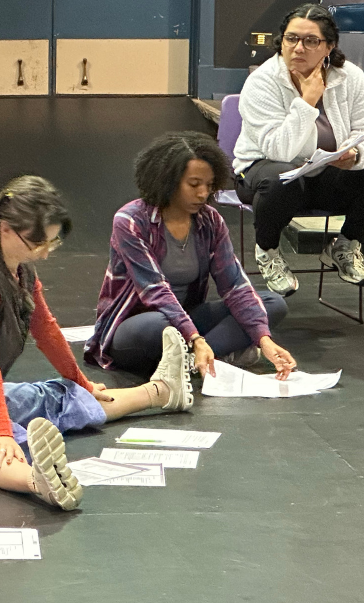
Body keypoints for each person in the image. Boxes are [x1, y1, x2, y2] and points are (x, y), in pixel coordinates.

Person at [0, 176, 193, 512]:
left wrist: (80, 382)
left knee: (60, 395)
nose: (46, 253)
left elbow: (47, 331)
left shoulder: (21, 271)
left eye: (52, 242)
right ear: (5, 228)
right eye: (38, 243)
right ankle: (40, 481)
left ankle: (162, 391)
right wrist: (2, 431)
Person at [86, 132, 296, 380]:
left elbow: (235, 285)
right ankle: (208, 353)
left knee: (271, 304)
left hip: (187, 318)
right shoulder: (131, 220)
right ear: (168, 181)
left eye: (209, 185)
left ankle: (194, 361)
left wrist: (263, 339)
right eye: (194, 185)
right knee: (161, 326)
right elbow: (154, 290)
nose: (203, 194)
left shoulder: (211, 221)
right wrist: (195, 338)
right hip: (137, 325)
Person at [234, 3, 364, 296]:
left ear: (329, 46)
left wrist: (355, 155)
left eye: (311, 41)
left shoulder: (351, 77)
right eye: (291, 38)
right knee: (281, 177)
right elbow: (278, 150)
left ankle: (346, 244)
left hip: (324, 172)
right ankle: (267, 250)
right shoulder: (262, 82)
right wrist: (307, 102)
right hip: (261, 174)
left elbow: (362, 129)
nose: (298, 47)